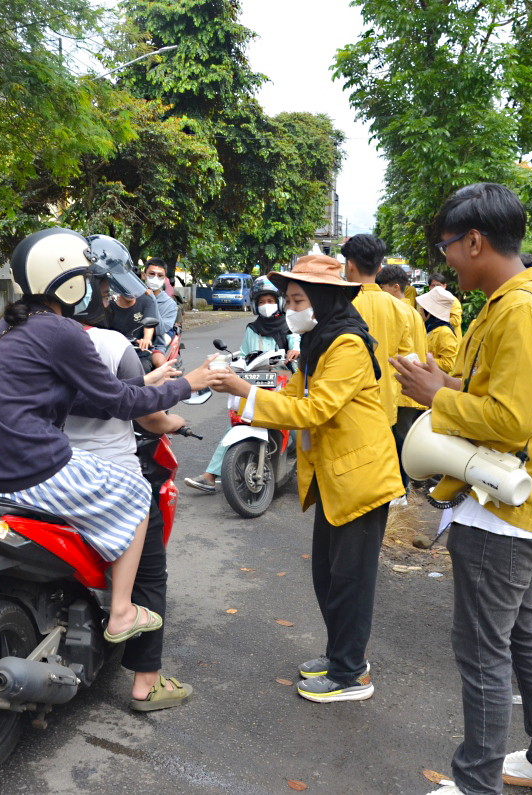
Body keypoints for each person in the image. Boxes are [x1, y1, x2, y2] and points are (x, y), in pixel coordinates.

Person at [391, 183, 532, 795]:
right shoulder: (510, 302)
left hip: (507, 509)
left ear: (475, 241)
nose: (445, 257)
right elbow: (497, 395)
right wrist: (444, 379)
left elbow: (511, 420)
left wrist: (436, 398)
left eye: (448, 245)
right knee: (523, 632)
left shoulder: (522, 308)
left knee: (481, 650)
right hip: (524, 505)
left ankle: (476, 784)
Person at [0, 228, 218, 645]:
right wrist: (191, 382)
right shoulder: (64, 332)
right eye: (98, 282)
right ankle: (122, 612)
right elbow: (120, 403)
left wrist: (141, 386)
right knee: (135, 492)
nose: (104, 293)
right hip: (29, 467)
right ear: (71, 282)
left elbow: (79, 401)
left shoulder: (9, 325)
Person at [210, 254, 403, 703]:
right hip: (336, 480)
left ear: (323, 299)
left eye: (298, 299)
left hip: (360, 479)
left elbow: (316, 410)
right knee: (328, 576)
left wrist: (247, 394)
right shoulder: (319, 342)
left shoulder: (347, 345)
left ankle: (351, 675)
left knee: (350, 582)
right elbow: (294, 393)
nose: (290, 307)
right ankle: (342, 655)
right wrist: (245, 382)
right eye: (288, 299)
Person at [63, 267, 193, 711]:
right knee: (150, 571)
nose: (105, 298)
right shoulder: (110, 343)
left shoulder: (14, 335)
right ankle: (145, 683)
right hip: (102, 473)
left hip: (31, 469)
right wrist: (174, 417)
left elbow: (112, 392)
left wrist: (149, 381)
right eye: (101, 291)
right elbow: (139, 413)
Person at [184, 277, 300, 493]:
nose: (266, 305)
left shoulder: (290, 325)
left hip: (285, 383)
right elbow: (245, 356)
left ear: (279, 302)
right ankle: (210, 476)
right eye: (262, 301)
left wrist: (295, 351)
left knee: (299, 426)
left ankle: (308, 470)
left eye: (270, 300)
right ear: (256, 304)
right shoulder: (252, 329)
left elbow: (296, 343)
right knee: (239, 421)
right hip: (257, 382)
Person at [340, 234, 415, 430]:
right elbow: (406, 357)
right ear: (379, 268)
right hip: (386, 402)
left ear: (350, 265)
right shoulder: (400, 308)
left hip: (347, 402)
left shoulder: (342, 305)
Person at [375, 264, 429, 498]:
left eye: (382, 287)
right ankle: (402, 492)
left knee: (396, 443)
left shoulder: (395, 310)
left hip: (398, 386)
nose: (379, 292)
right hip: (412, 386)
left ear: (396, 287)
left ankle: (400, 493)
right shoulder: (415, 313)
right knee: (404, 441)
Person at [102, 242, 164, 368]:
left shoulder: (147, 301)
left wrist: (146, 339)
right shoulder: (108, 306)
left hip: (140, 353)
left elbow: (149, 326)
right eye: (125, 287)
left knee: (148, 370)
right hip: (115, 354)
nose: (130, 292)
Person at [416, 286, 460, 374]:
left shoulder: (445, 332)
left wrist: (423, 359)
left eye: (424, 308)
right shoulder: (428, 327)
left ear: (430, 312)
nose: (421, 310)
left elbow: (448, 364)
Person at [145, 258, 178, 365]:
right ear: (144, 275)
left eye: (160, 276)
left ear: (165, 279)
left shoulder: (170, 304)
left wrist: (152, 301)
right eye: (151, 274)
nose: (155, 278)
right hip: (134, 342)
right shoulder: (135, 297)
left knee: (160, 366)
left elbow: (160, 330)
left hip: (155, 343)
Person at [428, 271, 463, 338]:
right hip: (431, 340)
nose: (436, 288)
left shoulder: (452, 300)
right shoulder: (426, 301)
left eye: (438, 285)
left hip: (449, 339)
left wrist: (436, 320)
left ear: (444, 286)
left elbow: (456, 320)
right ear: (429, 287)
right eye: (433, 285)